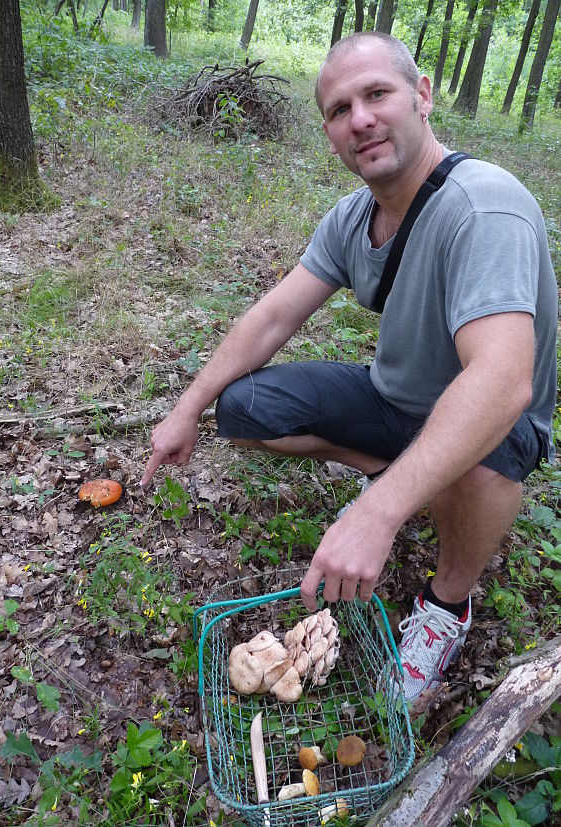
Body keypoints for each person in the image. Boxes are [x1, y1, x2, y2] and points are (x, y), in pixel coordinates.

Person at [141, 32, 557, 702]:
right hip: (397, 401)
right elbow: (274, 316)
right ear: (330, 133)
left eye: (376, 94)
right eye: (339, 109)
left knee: (485, 453)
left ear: (421, 96)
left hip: (494, 422)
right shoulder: (354, 217)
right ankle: (405, 473)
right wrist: (185, 406)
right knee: (243, 408)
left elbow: (504, 381)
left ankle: (447, 606)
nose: (359, 118)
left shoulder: (485, 206)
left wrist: (379, 515)